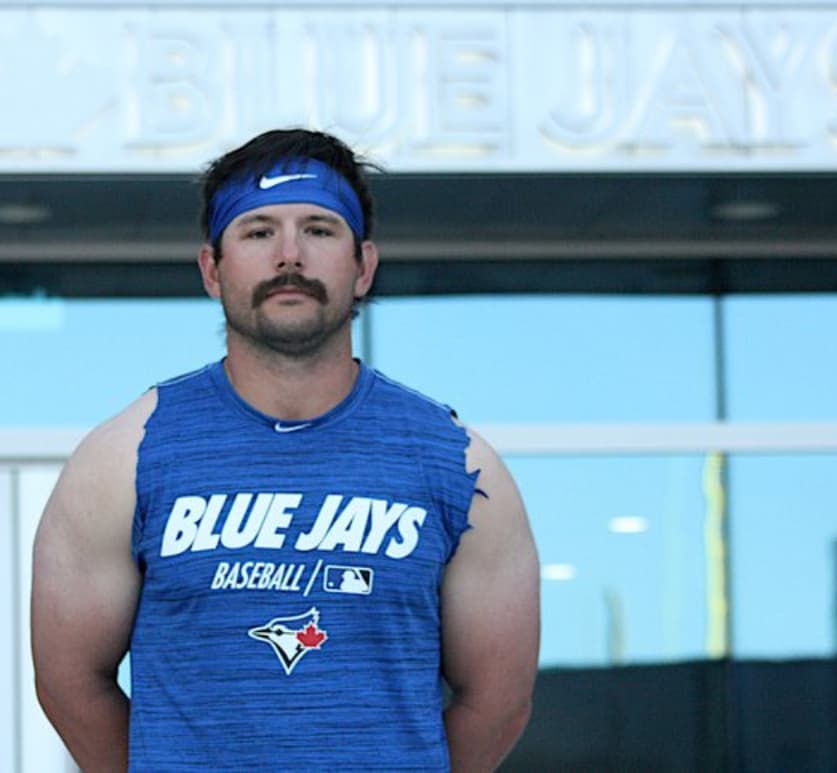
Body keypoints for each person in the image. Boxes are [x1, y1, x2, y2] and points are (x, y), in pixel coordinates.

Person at [30, 128, 540, 771]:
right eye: (258, 230)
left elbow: (498, 701)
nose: (290, 255)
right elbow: (70, 684)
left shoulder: (457, 465)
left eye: (320, 229)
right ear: (213, 270)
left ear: (364, 266)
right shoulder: (126, 457)